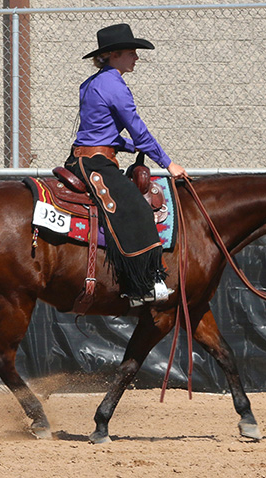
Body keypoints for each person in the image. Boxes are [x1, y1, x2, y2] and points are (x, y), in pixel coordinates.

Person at [64, 23, 188, 306]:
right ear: (114, 54)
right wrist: (169, 164)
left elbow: (103, 132)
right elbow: (138, 129)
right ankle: (143, 282)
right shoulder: (113, 84)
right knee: (136, 208)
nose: (136, 57)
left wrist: (130, 146)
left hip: (84, 157)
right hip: (95, 163)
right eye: (131, 52)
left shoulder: (92, 83)